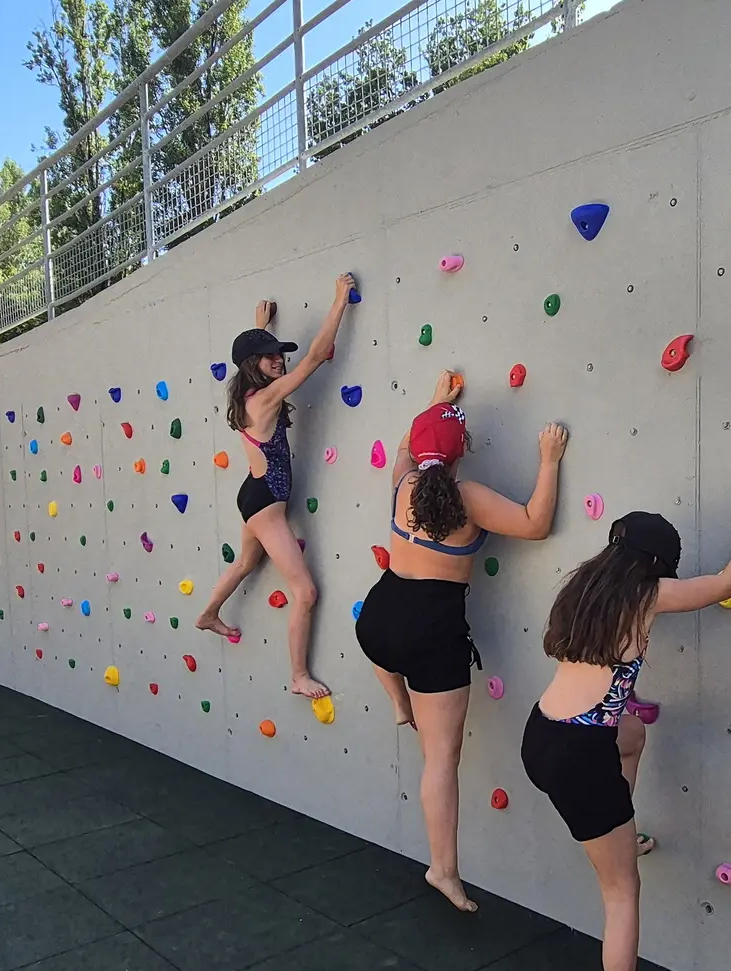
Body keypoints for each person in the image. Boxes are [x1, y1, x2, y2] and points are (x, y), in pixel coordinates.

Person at [520, 479, 731, 971]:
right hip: (579, 757)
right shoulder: (645, 594)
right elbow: (727, 583)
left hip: (541, 734)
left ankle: (622, 831)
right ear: (657, 567)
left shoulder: (584, 589)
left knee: (633, 735)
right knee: (622, 894)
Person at [356, 371, 568, 912]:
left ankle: (398, 701)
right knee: (440, 759)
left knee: (385, 649)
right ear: (463, 451)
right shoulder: (467, 497)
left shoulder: (403, 482)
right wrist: (548, 459)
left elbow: (405, 447)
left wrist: (435, 405)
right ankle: (443, 870)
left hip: (378, 620)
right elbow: (535, 524)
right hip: (432, 635)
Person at [196, 273, 355, 699]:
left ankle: (209, 613)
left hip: (255, 495)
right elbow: (316, 356)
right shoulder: (264, 399)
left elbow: (258, 357)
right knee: (305, 591)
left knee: (245, 564)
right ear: (254, 364)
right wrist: (340, 299)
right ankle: (299, 676)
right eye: (269, 357)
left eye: (278, 354)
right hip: (266, 503)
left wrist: (260, 327)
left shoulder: (249, 394)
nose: (279, 360)